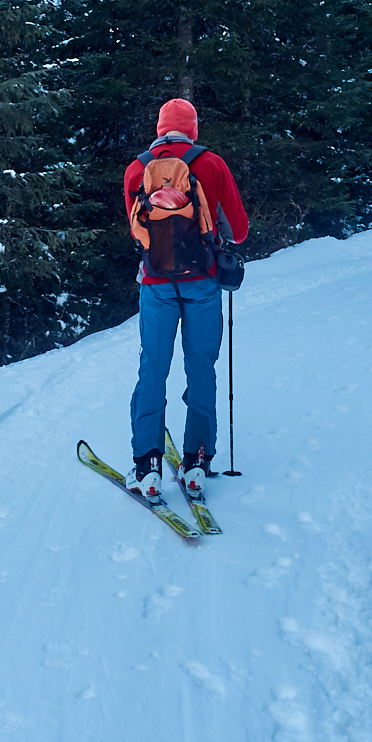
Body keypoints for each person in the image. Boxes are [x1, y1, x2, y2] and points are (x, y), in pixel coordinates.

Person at [124, 98, 248, 500]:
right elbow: (241, 230)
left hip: (156, 286)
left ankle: (147, 466)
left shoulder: (136, 169)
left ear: (160, 129)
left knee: (152, 371)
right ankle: (196, 462)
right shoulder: (211, 164)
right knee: (201, 370)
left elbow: (136, 232)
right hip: (203, 284)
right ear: (193, 129)